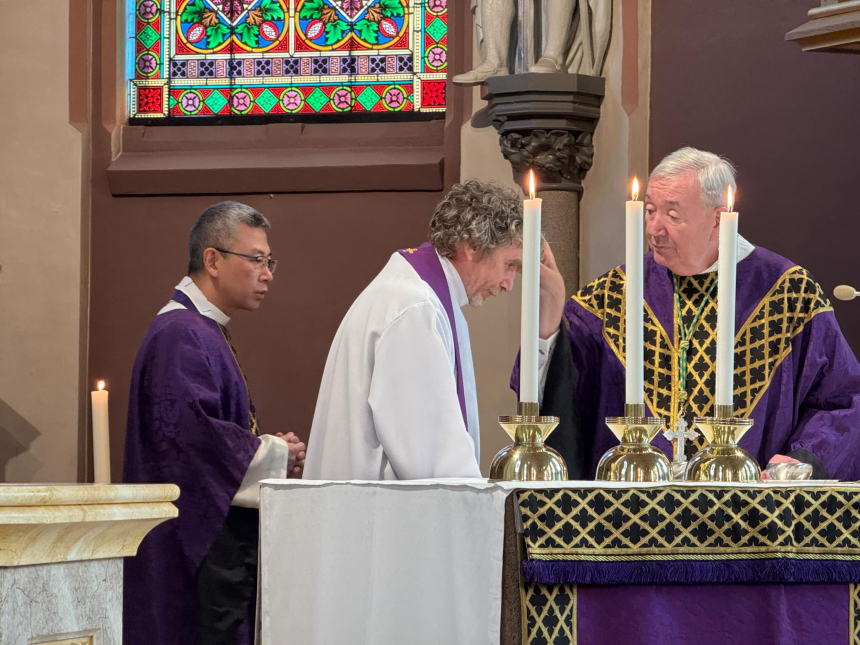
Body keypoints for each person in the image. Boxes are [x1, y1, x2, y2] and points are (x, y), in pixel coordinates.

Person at [520, 147, 860, 480]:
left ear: (718, 217)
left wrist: (804, 458)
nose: (654, 229)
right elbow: (560, 392)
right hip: (633, 516)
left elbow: (843, 398)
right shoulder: (616, 294)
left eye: (672, 215)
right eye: (650, 210)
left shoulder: (787, 293)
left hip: (748, 515)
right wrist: (549, 325)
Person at [123, 201, 306, 645]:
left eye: (270, 261)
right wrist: (275, 453)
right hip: (195, 551)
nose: (268, 273)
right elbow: (191, 440)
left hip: (210, 540)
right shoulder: (181, 334)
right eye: (256, 259)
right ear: (213, 260)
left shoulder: (202, 329)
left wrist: (261, 447)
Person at [304, 181, 524, 480]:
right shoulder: (415, 307)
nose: (508, 283)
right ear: (472, 246)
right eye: (509, 264)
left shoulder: (415, 295)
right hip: (382, 517)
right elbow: (431, 457)